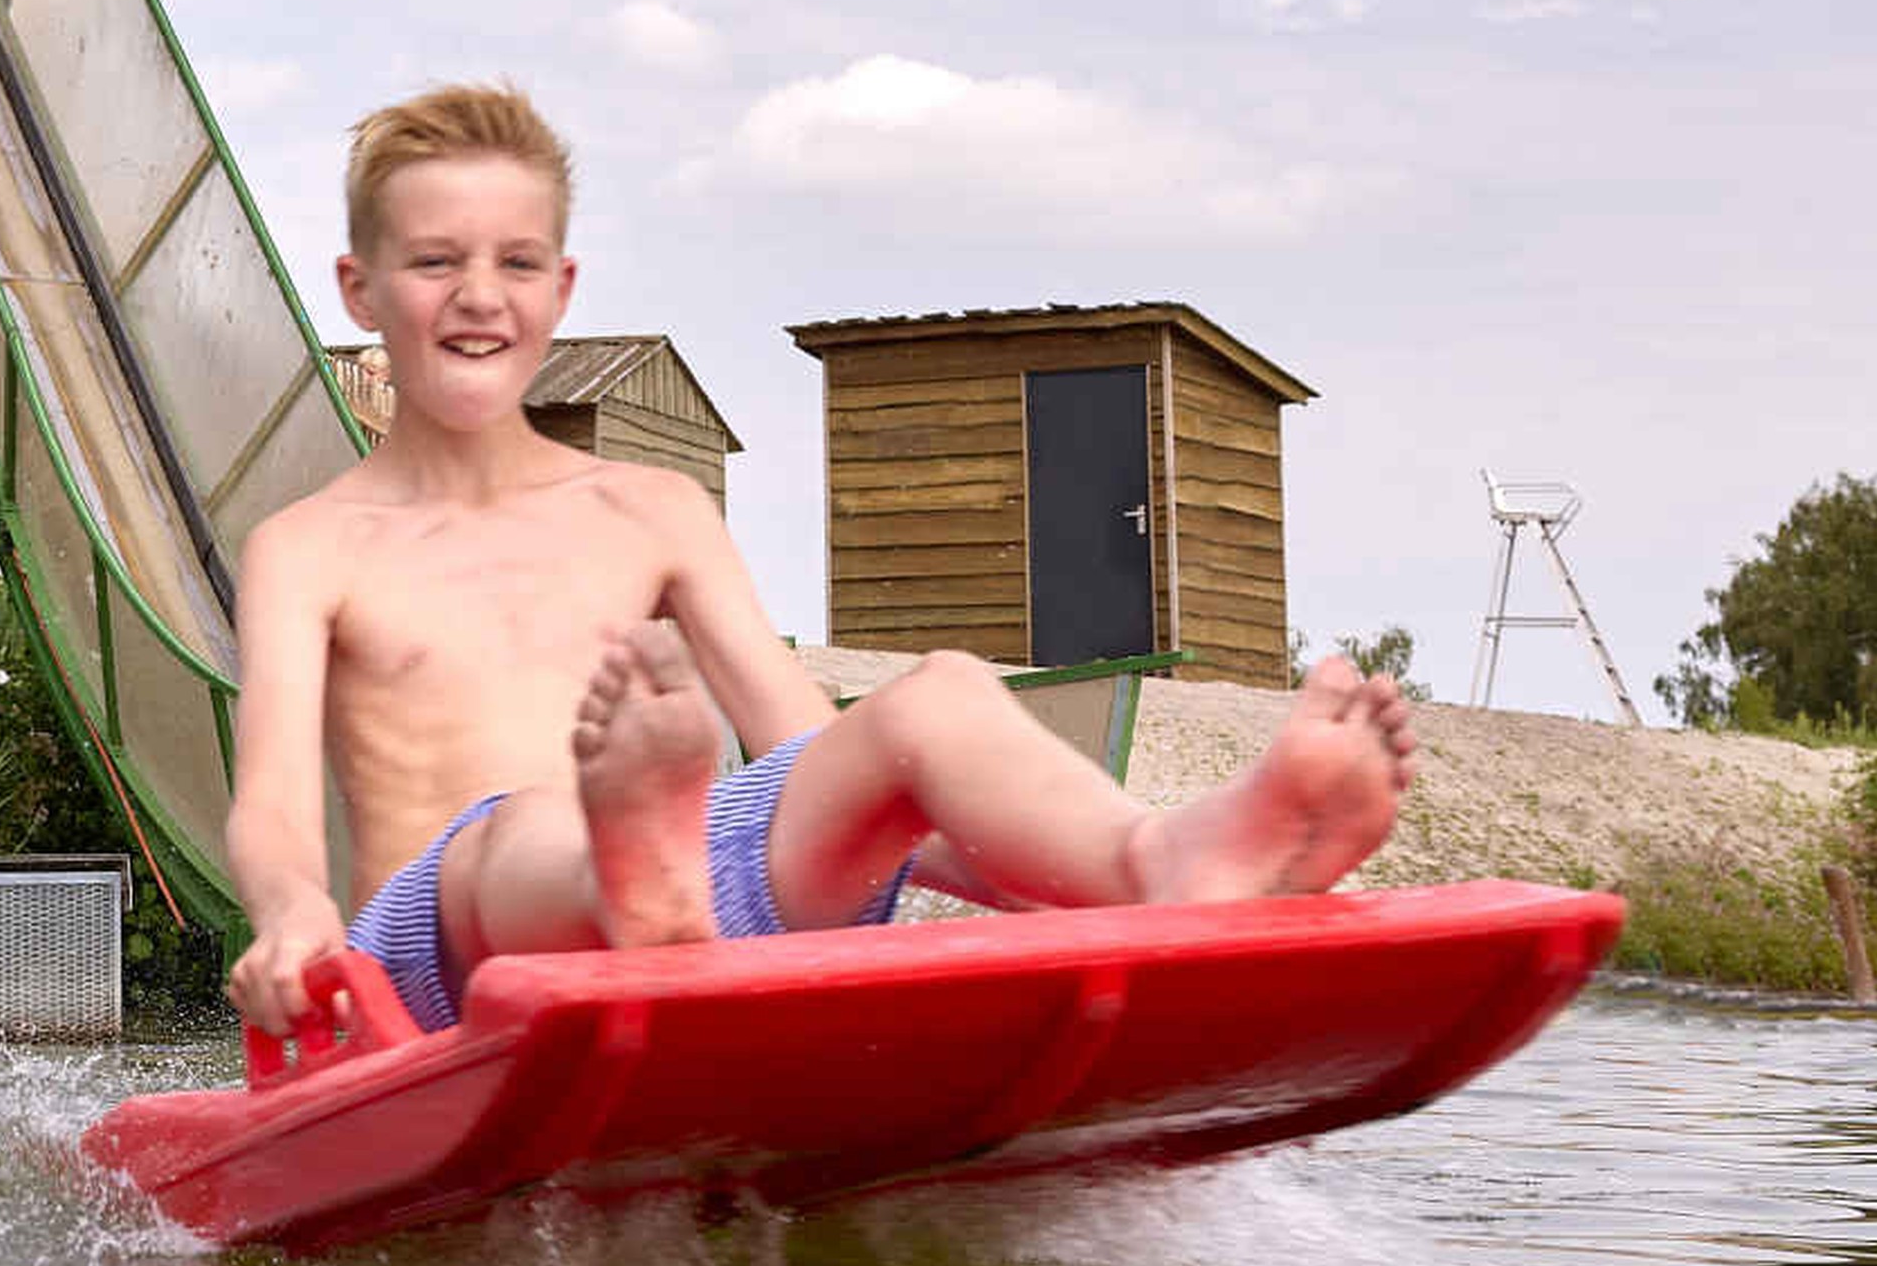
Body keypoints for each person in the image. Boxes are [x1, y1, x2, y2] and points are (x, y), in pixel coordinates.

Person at [224, 82, 1418, 1037]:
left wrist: (977, 855)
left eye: (517, 263)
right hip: (436, 963)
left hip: (703, 905)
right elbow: (274, 807)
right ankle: (625, 869)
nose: (479, 296)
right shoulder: (313, 546)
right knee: (533, 821)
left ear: (563, 285)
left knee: (937, 698)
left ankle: (1170, 857)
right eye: (436, 262)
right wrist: (292, 916)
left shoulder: (652, 507)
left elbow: (799, 740)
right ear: (361, 289)